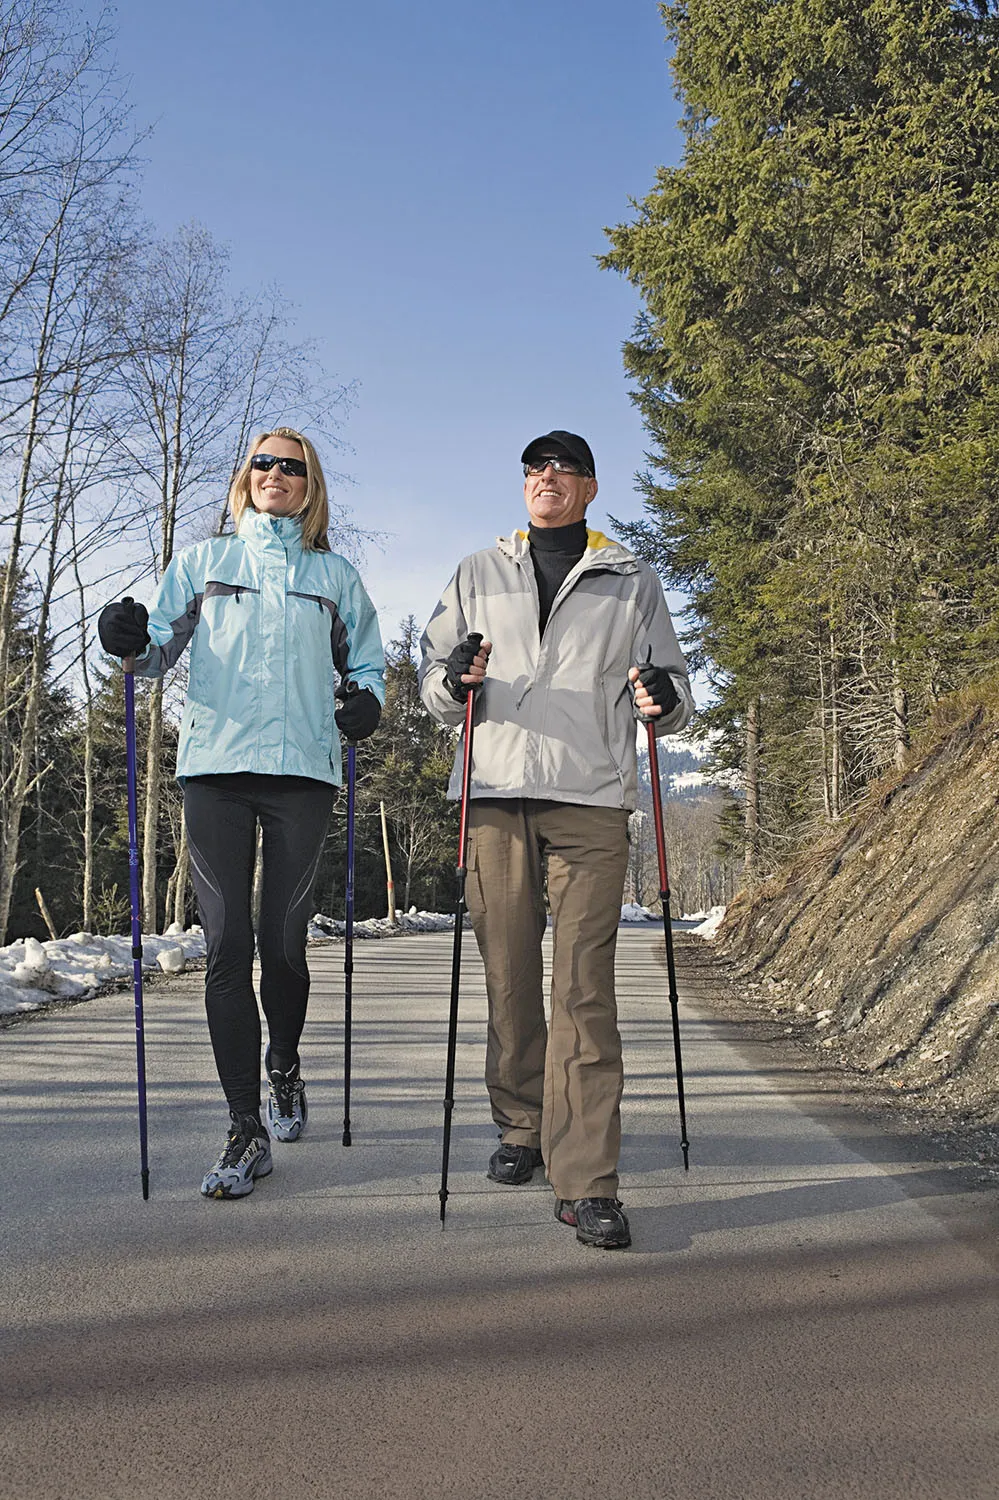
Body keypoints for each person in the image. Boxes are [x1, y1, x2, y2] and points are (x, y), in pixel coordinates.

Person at [419, 429, 692, 1249]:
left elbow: (673, 690)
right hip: (495, 793)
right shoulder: (476, 570)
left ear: (589, 487)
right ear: (524, 484)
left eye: (564, 467)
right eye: (536, 466)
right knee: (507, 976)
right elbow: (433, 683)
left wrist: (659, 699)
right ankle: (520, 1126)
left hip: (590, 797)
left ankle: (587, 1179)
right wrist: (452, 676)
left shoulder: (631, 578)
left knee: (582, 988)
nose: (548, 476)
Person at [98, 427, 385, 1200]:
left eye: (291, 467)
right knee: (226, 947)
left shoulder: (333, 574)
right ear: (244, 477)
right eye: (263, 462)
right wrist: (121, 639)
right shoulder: (202, 562)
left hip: (302, 776)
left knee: (283, 943)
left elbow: (365, 662)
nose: (275, 475)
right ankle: (243, 1129)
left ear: (309, 485)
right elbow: (151, 649)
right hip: (215, 773)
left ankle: (283, 1067)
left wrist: (367, 702)